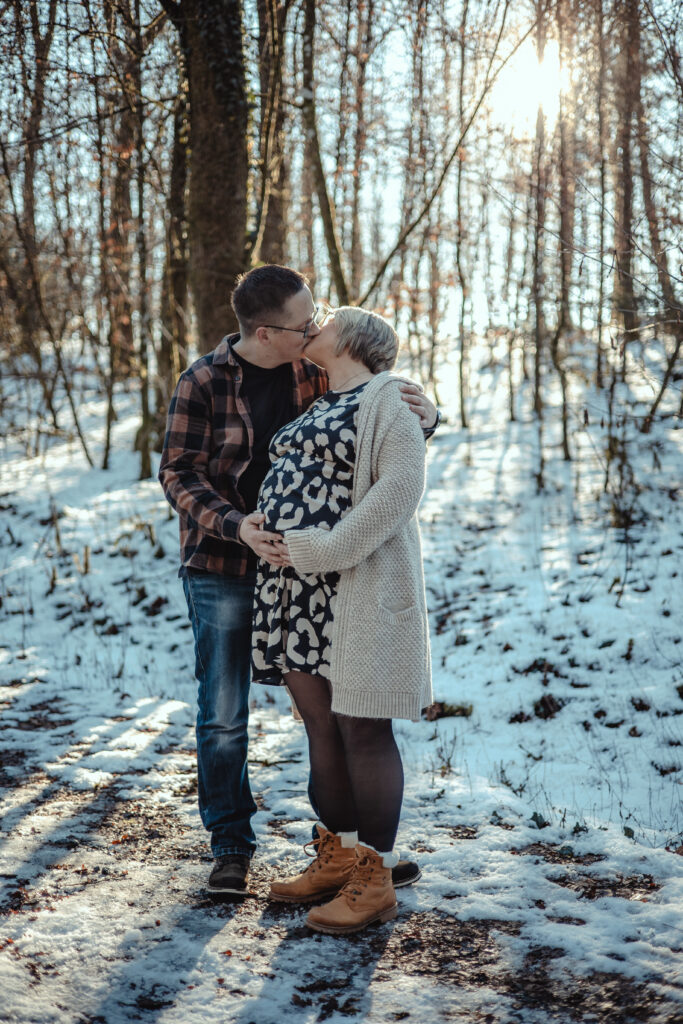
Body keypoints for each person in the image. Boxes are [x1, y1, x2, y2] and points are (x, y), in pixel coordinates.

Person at [158, 265, 438, 896]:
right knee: (225, 713)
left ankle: (370, 857)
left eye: (319, 316)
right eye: (303, 322)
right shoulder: (202, 379)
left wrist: (429, 412)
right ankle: (231, 845)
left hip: (316, 575)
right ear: (265, 333)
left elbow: (378, 419)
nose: (314, 324)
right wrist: (237, 526)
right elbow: (177, 473)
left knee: (352, 723)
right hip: (227, 564)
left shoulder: (315, 366)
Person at [250, 305, 432, 934]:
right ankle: (338, 856)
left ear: (354, 338)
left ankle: (376, 879)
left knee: (363, 732)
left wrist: (318, 549)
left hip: (350, 587)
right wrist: (260, 534)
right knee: (321, 728)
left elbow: (398, 491)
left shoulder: (387, 397)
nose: (313, 324)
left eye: (325, 319)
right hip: (292, 591)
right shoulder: (317, 399)